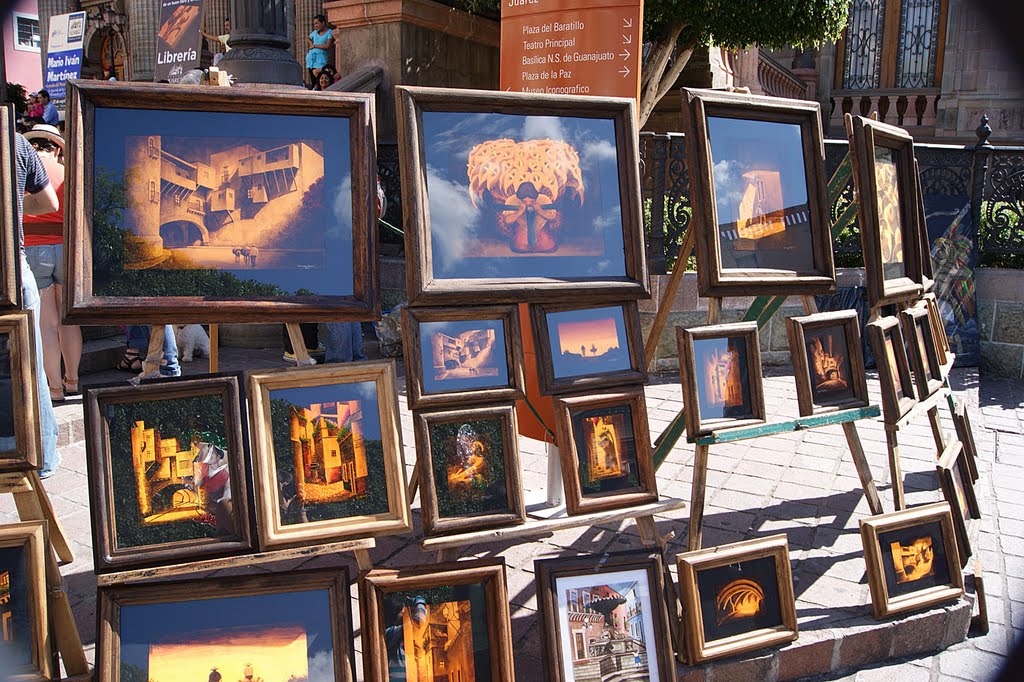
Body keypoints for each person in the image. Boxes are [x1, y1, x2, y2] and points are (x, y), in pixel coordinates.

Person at [22, 124, 81, 403]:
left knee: (47, 323)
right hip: (66, 249)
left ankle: (55, 388)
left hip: (34, 250)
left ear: (34, 146)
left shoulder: (24, 170)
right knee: (69, 320)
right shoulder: (67, 171)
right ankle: (73, 381)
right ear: (56, 147)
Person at [14, 130, 61, 477]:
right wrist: (16, 205)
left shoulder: (17, 143)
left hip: (33, 254)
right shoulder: (15, 143)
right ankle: (44, 457)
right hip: (18, 266)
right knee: (32, 364)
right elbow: (50, 202)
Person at [305, 15, 334, 87]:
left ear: (323, 23)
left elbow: (327, 46)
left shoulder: (329, 32)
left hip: (321, 59)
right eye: (314, 24)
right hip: (311, 59)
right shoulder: (315, 32)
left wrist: (315, 45)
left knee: (321, 77)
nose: (315, 26)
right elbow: (308, 38)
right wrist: (311, 44)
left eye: (317, 23)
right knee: (313, 81)